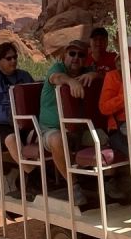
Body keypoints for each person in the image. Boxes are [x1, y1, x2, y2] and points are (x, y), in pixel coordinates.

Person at [39, 40, 101, 200]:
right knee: (58, 139)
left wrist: (93, 74)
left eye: (81, 55)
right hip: (51, 129)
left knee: (103, 136)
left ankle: (109, 182)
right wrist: (70, 81)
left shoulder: (86, 71)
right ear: (64, 56)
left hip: (78, 129)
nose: (76, 58)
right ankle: (73, 186)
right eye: (72, 54)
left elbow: (101, 75)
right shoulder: (58, 69)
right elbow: (56, 78)